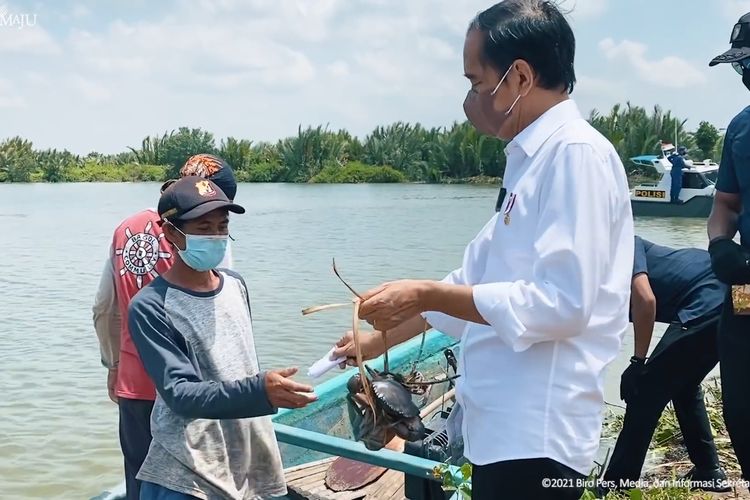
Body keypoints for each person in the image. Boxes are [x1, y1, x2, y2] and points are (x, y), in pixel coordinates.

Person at [332, 1, 634, 498]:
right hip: (502, 430)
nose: (469, 98)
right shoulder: (529, 164)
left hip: (537, 434)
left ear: (517, 78)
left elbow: (563, 304)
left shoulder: (575, 156)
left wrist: (425, 293)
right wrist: (378, 340)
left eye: (476, 82)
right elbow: (466, 285)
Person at [127, 176, 317, 499]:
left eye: (222, 226)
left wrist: (262, 392)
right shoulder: (150, 306)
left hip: (246, 457)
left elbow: (239, 362)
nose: (216, 236)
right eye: (203, 228)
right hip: (188, 471)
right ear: (171, 232)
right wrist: (260, 391)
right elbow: (180, 393)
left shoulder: (236, 285)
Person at [92, 154, 238, 500]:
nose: (216, 223)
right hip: (191, 387)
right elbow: (220, 314)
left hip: (134, 383)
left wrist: (113, 365)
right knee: (193, 485)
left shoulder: (124, 228)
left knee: (139, 481)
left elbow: (103, 308)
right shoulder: (207, 239)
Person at [601, 236, 729, 493]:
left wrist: (638, 362)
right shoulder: (611, 259)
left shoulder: (625, 245)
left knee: (645, 391)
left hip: (708, 302)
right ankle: (709, 471)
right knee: (684, 385)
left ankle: (617, 485)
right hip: (727, 303)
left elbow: (645, 300)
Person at [707, 10, 750, 486]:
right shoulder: (740, 128)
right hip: (746, 290)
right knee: (741, 407)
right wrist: (720, 243)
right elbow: (724, 203)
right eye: (742, 69)